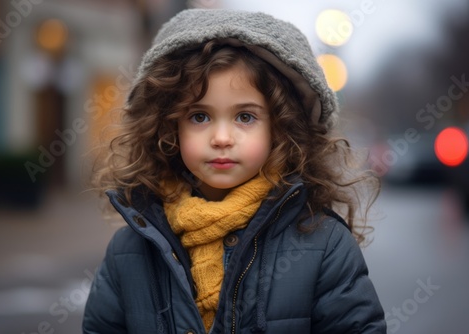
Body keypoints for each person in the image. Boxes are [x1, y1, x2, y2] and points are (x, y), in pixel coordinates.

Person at [83, 8, 386, 334]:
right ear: (170, 128)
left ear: (281, 128)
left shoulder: (325, 246)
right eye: (199, 116)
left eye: (245, 117)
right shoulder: (129, 251)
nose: (222, 138)